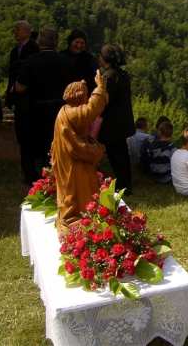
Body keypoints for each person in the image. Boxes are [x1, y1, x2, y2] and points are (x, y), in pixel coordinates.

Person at [14, 28, 75, 185]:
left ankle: (30, 174)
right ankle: (56, 172)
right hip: (58, 107)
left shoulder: (31, 61)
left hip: (34, 108)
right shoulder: (66, 61)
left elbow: (21, 87)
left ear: (39, 41)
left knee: (28, 142)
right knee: (56, 141)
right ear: (56, 43)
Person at [51, 75, 108, 235]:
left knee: (80, 187)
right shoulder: (72, 114)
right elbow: (92, 110)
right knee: (77, 188)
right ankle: (77, 218)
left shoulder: (66, 110)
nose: (86, 97)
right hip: (73, 161)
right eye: (85, 94)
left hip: (73, 159)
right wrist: (100, 89)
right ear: (78, 95)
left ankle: (82, 214)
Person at [97, 45, 135, 195]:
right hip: (122, 121)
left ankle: (124, 186)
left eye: (100, 55)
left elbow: (103, 101)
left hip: (112, 123)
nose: (98, 58)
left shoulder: (109, 76)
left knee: (116, 156)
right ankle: (126, 182)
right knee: (122, 154)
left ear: (105, 57)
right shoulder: (122, 74)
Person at [3, 21, 39, 111]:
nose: (15, 32)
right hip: (17, 91)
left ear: (26, 32)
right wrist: (8, 92)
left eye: (18, 30)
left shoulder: (34, 48)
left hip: (31, 93)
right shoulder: (14, 51)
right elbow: (11, 73)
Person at [60, 29, 99, 95]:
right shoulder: (61, 56)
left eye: (82, 43)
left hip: (84, 96)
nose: (79, 46)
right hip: (62, 96)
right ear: (70, 42)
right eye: (77, 42)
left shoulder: (89, 58)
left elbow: (97, 76)